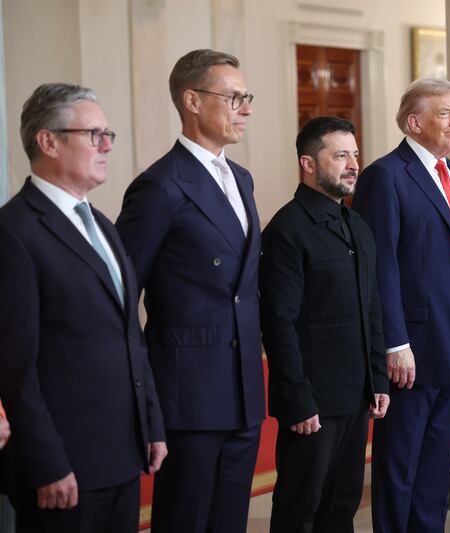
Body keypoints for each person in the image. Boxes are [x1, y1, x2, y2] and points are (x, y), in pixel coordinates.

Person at [0, 83, 166, 532]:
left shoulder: (105, 228)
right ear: (48, 141)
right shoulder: (14, 232)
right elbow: (15, 367)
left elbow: (129, 332)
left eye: (107, 133)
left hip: (121, 453)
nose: (107, 144)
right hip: (64, 465)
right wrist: (46, 461)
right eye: (93, 134)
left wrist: (150, 423)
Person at [116, 49, 264, 533]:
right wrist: (137, 387)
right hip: (189, 389)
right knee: (186, 520)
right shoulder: (159, 187)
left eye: (247, 97)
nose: (245, 108)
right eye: (234, 97)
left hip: (242, 386)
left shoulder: (240, 179)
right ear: (192, 101)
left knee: (229, 522)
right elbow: (119, 295)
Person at [352, 79, 450, 532]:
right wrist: (395, 342)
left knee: (437, 462)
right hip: (411, 347)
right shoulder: (386, 175)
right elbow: (382, 266)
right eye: (445, 113)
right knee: (401, 461)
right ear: (414, 122)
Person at [260, 116, 390, 532]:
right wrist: (297, 399)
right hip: (313, 401)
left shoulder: (358, 226)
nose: (353, 164)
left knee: (343, 503)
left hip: (355, 395)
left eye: (354, 154)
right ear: (308, 163)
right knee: (301, 507)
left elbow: (372, 310)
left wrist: (379, 380)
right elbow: (278, 323)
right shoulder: (287, 229)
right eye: (340, 156)